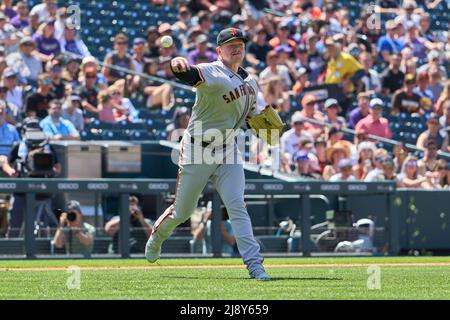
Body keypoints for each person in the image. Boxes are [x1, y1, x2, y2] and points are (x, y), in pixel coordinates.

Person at [145, 27, 271, 280]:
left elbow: (252, 115)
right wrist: (177, 63)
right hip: (198, 151)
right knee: (182, 212)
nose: (236, 48)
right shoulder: (213, 71)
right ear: (219, 50)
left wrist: (269, 130)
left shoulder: (250, 81)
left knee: (237, 206)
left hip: (228, 150)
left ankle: (255, 266)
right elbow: (189, 73)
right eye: (230, 44)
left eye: (240, 43)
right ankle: (157, 236)